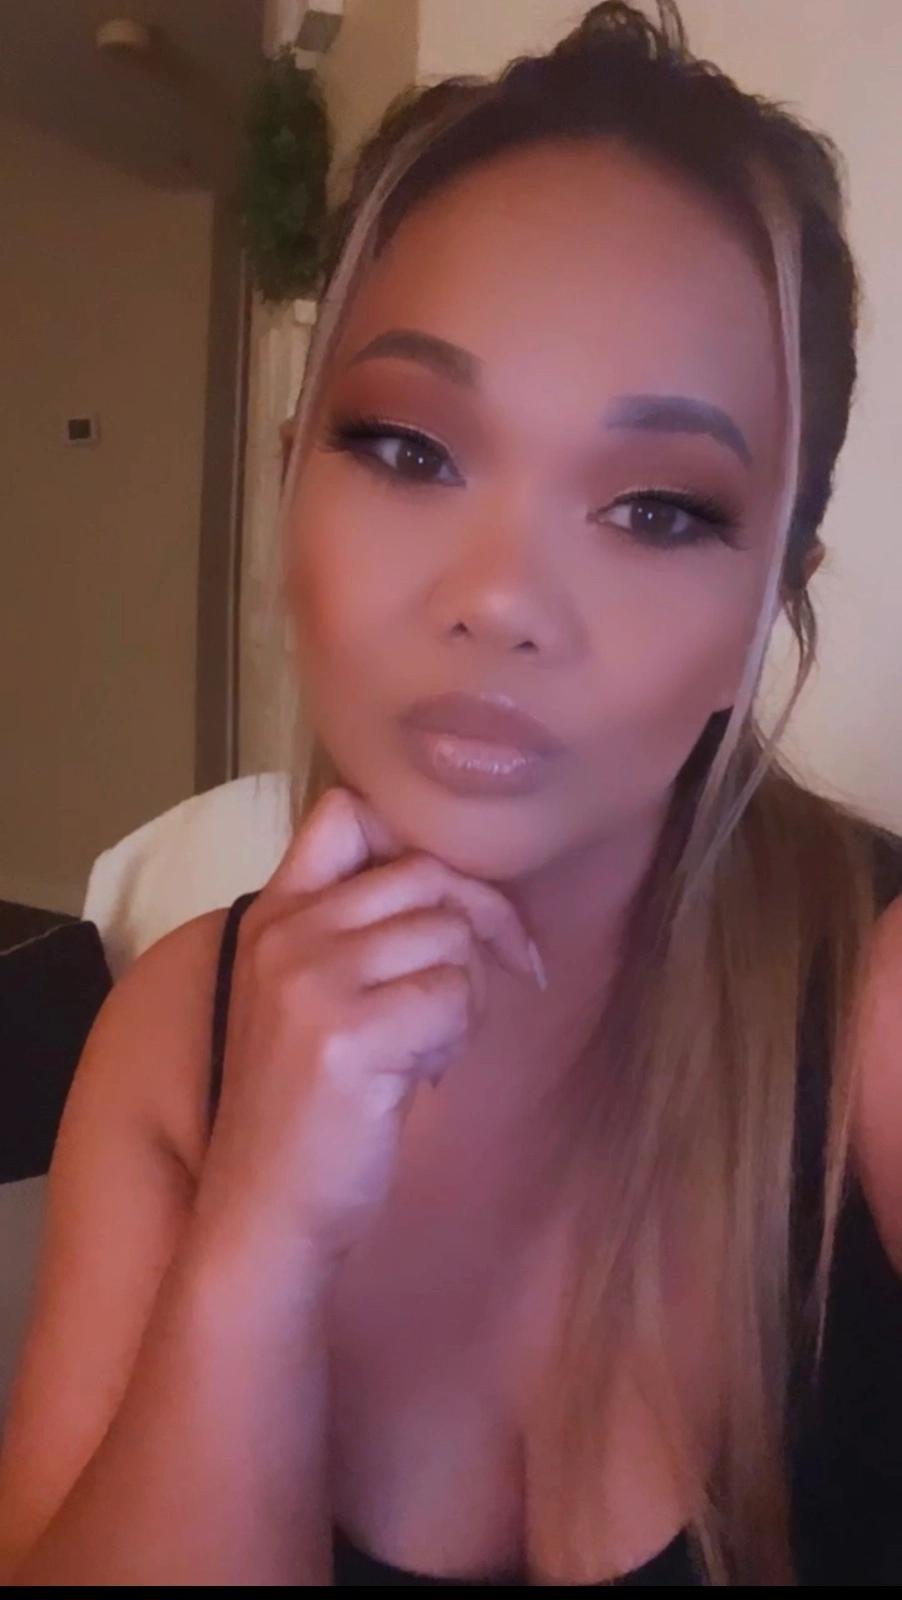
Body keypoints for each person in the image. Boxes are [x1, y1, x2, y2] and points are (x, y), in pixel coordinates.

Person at [1, 1, 900, 1585]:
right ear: (294, 481)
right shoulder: (175, 1030)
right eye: (410, 449)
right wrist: (256, 1248)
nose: (498, 599)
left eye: (656, 508)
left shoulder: (879, 1008)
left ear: (767, 604)